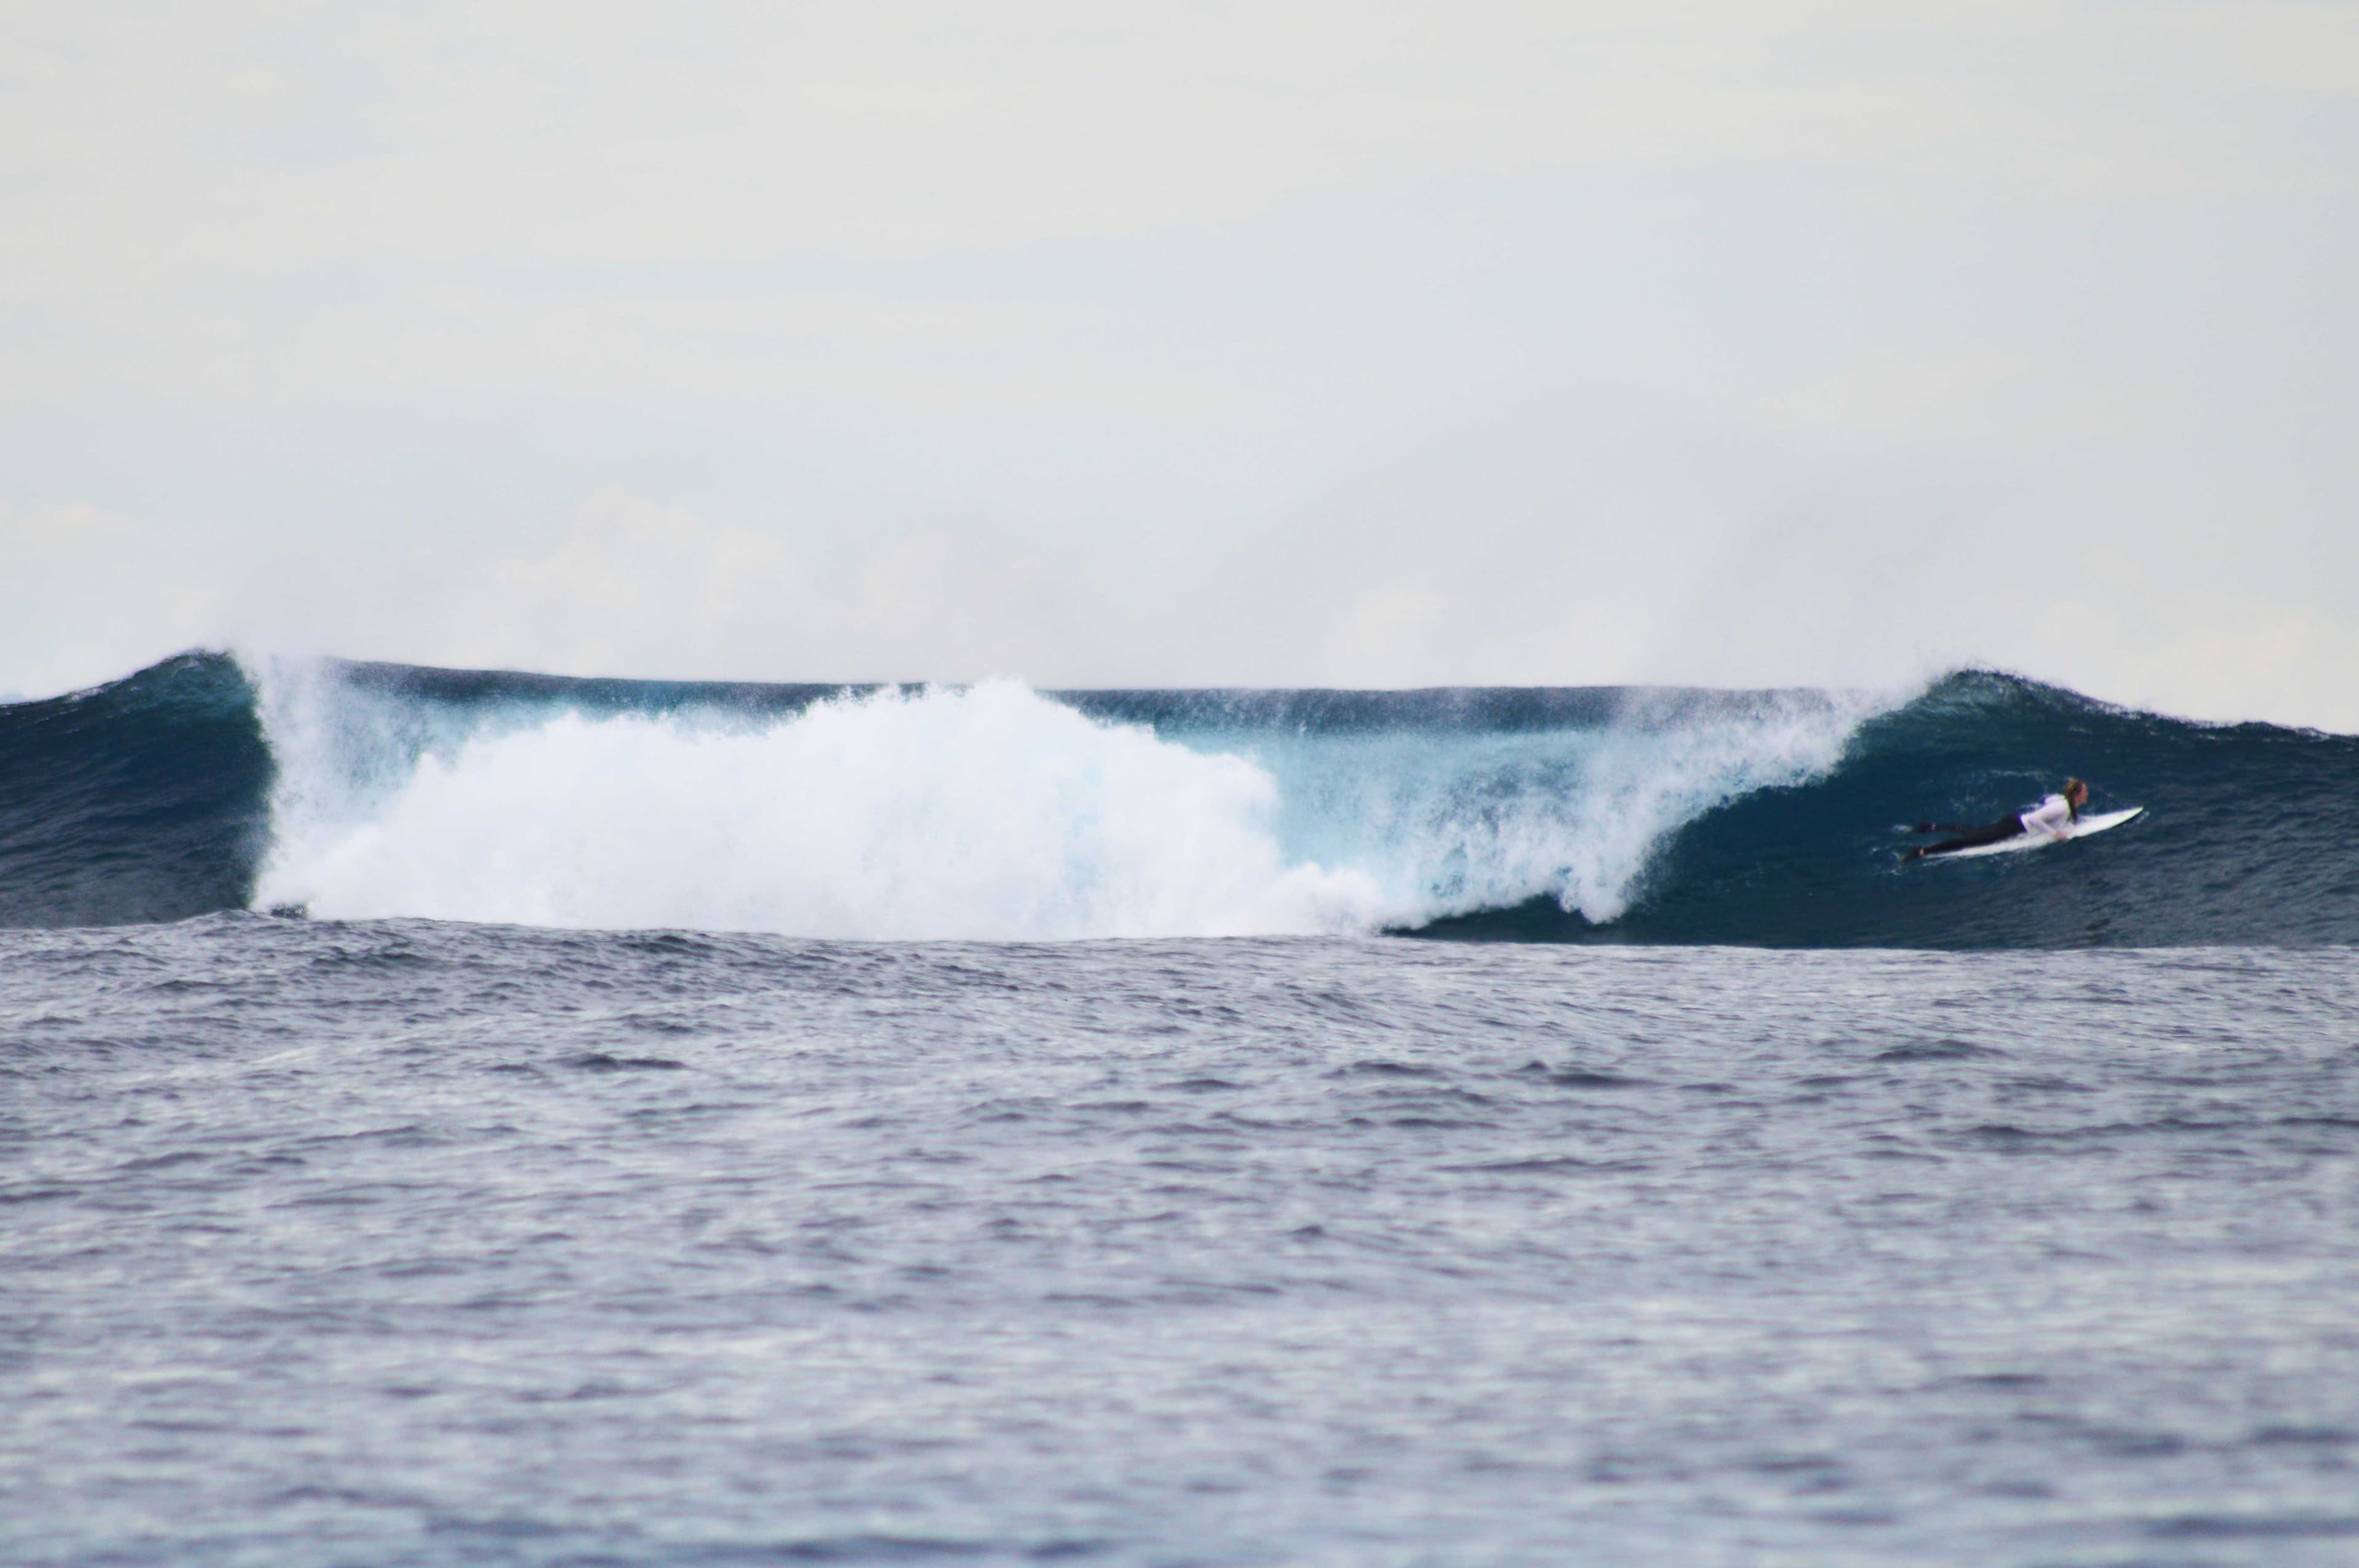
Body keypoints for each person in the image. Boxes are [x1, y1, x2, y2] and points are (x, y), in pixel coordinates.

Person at [1905, 778, 2089, 861]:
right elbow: (2035, 819)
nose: (2087, 793)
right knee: (1971, 840)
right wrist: (2055, 833)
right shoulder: (2063, 807)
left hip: (2015, 821)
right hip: (2015, 826)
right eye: (2085, 791)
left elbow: (2048, 801)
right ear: (2078, 795)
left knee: (1973, 832)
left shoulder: (2064, 803)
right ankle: (1922, 851)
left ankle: (1931, 827)